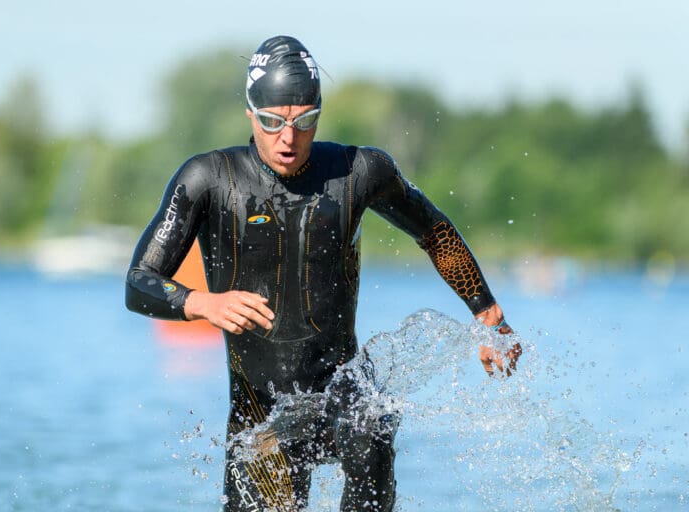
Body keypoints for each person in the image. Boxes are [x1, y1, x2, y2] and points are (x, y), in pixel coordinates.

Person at [126, 35, 521, 512]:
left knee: (368, 423)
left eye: (303, 121)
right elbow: (139, 282)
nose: (287, 138)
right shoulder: (208, 179)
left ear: (318, 114)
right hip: (260, 417)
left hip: (342, 392)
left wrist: (488, 313)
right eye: (272, 122)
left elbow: (434, 230)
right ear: (251, 114)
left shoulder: (360, 171)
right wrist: (202, 303)